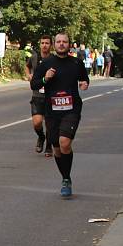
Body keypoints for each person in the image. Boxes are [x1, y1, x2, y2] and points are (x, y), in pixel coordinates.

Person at [31, 32, 89, 198]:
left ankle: (66, 179)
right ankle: (65, 177)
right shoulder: (46, 64)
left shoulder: (76, 63)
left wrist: (84, 84)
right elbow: (33, 84)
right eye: (59, 42)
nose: (61, 44)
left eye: (65, 41)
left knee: (64, 143)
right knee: (56, 147)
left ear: (69, 44)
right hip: (52, 111)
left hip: (71, 109)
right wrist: (45, 79)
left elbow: (84, 79)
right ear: (54, 44)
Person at [25, 35, 53, 156]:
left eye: (47, 43)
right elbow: (27, 66)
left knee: (50, 124)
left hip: (51, 96)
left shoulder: (54, 59)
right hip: (37, 96)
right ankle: (41, 137)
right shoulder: (34, 57)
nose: (44, 45)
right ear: (40, 44)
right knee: (37, 123)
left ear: (51, 45)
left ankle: (48, 147)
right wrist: (28, 75)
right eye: (42, 43)